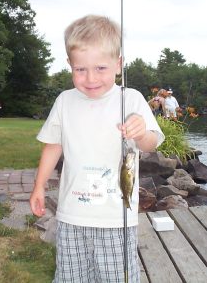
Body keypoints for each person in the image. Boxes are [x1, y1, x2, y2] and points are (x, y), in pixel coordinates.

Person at [30, 15, 165, 283]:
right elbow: (53, 145)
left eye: (101, 68)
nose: (90, 78)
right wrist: (39, 186)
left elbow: (151, 143)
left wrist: (141, 133)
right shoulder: (65, 101)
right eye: (80, 69)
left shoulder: (132, 99)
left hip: (116, 219)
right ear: (70, 64)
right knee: (70, 277)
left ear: (118, 64)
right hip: (71, 216)